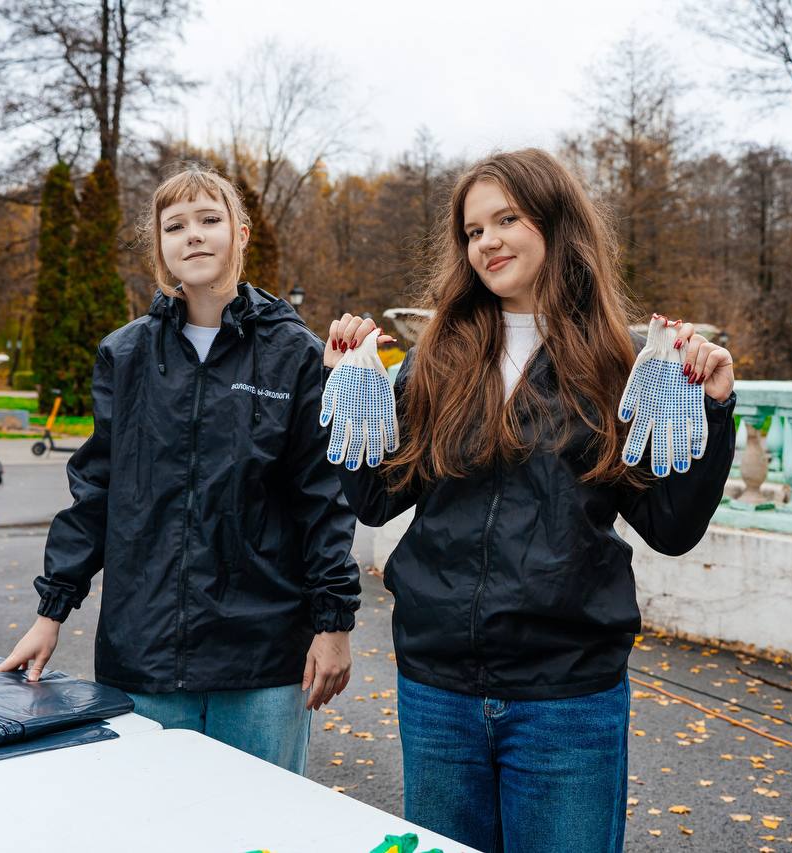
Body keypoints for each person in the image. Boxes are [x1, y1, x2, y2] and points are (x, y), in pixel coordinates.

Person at [324, 149, 736, 852]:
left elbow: (670, 526)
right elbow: (373, 496)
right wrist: (344, 388)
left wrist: (719, 406)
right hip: (438, 690)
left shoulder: (620, 365)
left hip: (567, 699)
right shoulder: (439, 358)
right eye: (472, 229)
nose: (487, 241)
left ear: (556, 224)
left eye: (507, 218)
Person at [0, 165, 360, 775]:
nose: (193, 235)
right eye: (175, 225)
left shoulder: (294, 355)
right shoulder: (126, 353)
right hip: (146, 657)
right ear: (160, 246)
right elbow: (96, 492)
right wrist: (50, 613)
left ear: (241, 234)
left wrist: (334, 624)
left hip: (263, 661)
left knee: (263, 831)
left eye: (209, 220)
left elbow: (322, 499)